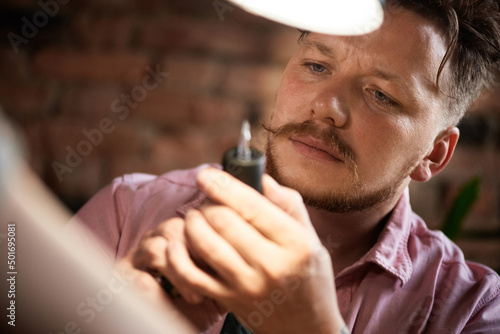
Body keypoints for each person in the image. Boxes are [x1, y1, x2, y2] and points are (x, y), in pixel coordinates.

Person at [66, 0, 500, 333]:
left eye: (381, 95)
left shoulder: (471, 310)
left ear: (435, 153)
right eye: (316, 65)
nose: (326, 106)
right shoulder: (128, 214)